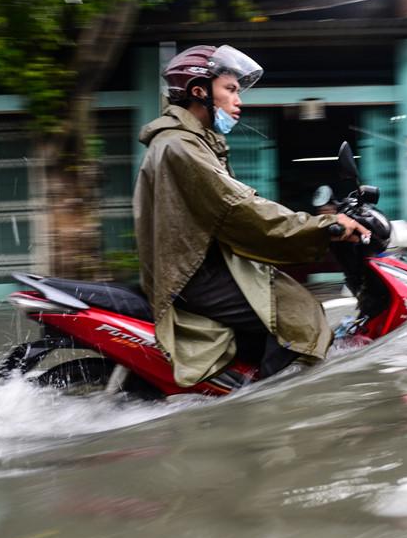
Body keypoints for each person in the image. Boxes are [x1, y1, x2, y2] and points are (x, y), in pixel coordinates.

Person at [133, 45, 368, 388]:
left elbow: (239, 204)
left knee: (284, 304)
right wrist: (322, 226)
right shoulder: (179, 145)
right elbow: (238, 209)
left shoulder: (194, 142)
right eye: (229, 90)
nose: (238, 100)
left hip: (207, 264)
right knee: (300, 314)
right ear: (199, 92)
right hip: (193, 273)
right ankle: (268, 408)